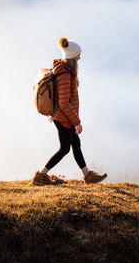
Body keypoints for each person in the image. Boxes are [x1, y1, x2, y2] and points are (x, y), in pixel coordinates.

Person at [33, 37, 107, 185]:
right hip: (63, 117)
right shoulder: (65, 75)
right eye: (78, 55)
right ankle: (40, 176)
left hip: (62, 116)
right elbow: (64, 103)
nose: (80, 57)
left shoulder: (63, 70)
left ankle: (87, 176)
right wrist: (77, 122)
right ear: (73, 57)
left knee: (75, 144)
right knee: (64, 149)